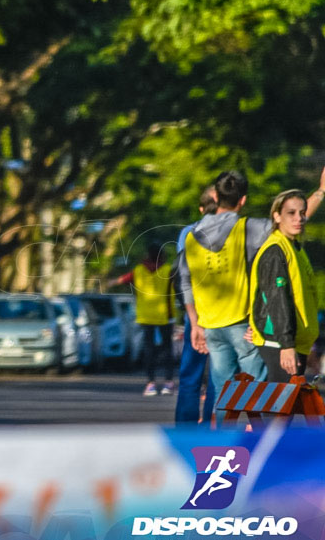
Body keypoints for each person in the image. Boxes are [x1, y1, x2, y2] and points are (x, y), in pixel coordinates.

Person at [179, 169, 325, 394]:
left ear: (216, 197)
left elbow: (186, 282)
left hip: (210, 324)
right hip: (241, 322)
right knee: (258, 390)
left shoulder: (191, 235)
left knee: (223, 391)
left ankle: (219, 429)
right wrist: (320, 192)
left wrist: (194, 322)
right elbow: (291, 220)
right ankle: (253, 428)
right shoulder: (247, 228)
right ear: (243, 199)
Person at [249, 190, 320, 382]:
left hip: (295, 341)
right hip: (279, 342)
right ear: (277, 215)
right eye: (291, 213)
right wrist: (286, 345)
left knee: (286, 405)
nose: (299, 218)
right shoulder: (275, 250)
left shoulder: (294, 247)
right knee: (280, 405)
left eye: (302, 212)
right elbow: (277, 299)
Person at [174, 186, 219, 425]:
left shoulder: (188, 233)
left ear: (201, 208)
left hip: (196, 313)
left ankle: (185, 431)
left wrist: (192, 320)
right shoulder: (236, 232)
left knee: (190, 376)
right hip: (224, 314)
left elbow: (184, 277)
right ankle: (212, 428)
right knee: (217, 377)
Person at [113, 243, 175, 396]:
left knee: (149, 349)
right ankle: (168, 383)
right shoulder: (168, 270)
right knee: (167, 349)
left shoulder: (139, 270)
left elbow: (121, 280)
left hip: (145, 315)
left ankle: (150, 383)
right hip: (165, 314)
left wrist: (108, 282)